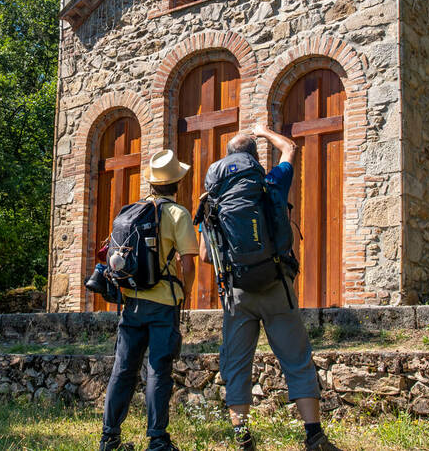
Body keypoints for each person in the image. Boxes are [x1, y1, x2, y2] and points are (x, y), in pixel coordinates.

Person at [201, 123, 342, 451]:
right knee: (296, 358)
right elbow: (291, 149)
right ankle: (314, 437)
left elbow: (207, 256)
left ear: (226, 163)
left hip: (237, 294)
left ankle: (243, 438)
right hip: (277, 285)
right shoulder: (271, 182)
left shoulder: (212, 202)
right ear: (253, 159)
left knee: (237, 363)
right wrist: (264, 131)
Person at [100, 149, 200, 451]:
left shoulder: (130, 212)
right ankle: (157, 440)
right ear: (177, 183)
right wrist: (187, 293)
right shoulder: (178, 214)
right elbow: (188, 264)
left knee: (123, 369)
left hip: (131, 302)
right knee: (158, 369)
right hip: (163, 303)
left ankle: (109, 437)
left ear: (152, 184)